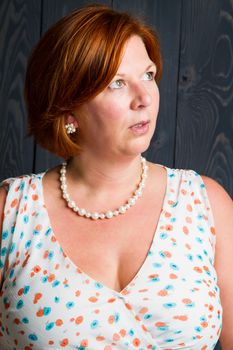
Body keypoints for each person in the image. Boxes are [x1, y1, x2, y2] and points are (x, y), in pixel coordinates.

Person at [0, 4, 232, 350]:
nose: (144, 99)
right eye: (117, 83)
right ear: (69, 108)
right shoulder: (11, 214)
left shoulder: (206, 203)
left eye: (148, 75)